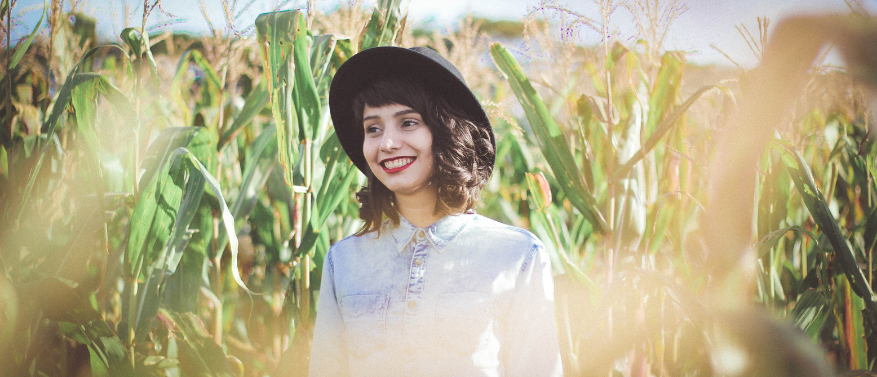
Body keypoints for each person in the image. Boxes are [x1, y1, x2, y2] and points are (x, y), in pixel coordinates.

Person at [308, 46, 563, 377]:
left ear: (447, 132)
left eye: (408, 122)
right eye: (373, 128)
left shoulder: (517, 255)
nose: (386, 143)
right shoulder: (343, 261)